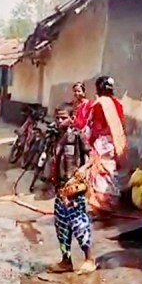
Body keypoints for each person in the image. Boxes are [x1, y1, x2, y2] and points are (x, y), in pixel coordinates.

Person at [47, 103, 96, 274]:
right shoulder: (54, 137)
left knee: (79, 224)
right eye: (58, 118)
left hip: (74, 189)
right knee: (61, 226)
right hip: (61, 190)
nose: (60, 121)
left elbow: (91, 156)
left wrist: (83, 168)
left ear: (72, 118)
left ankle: (90, 259)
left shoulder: (77, 136)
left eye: (64, 118)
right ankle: (66, 260)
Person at [84, 76, 127, 214]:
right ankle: (112, 203)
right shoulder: (117, 103)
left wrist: (90, 140)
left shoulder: (99, 104)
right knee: (111, 172)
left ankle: (102, 207)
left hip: (102, 143)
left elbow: (95, 127)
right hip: (114, 143)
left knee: (100, 173)